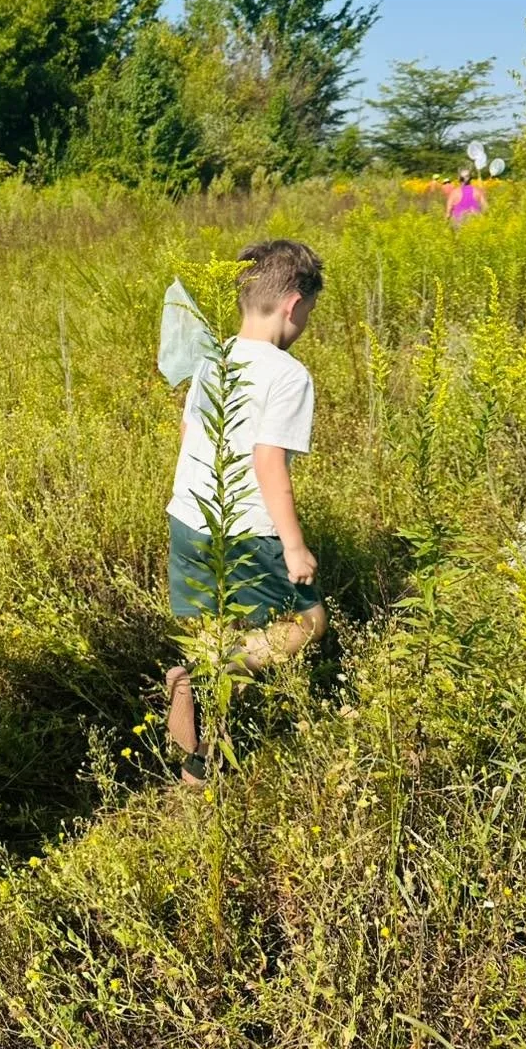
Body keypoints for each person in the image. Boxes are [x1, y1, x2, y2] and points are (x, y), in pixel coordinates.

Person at [165, 241, 326, 787]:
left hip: (189, 516)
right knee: (306, 624)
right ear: (292, 304)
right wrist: (295, 544)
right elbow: (267, 460)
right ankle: (203, 674)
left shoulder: (214, 357)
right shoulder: (288, 374)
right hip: (247, 530)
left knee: (218, 629)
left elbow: (190, 436)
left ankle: (200, 773)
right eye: (308, 313)